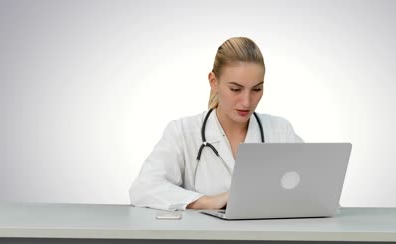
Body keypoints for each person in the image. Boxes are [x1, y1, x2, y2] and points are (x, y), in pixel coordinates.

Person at [129, 37, 303, 211]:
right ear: (213, 81)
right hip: (203, 237)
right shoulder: (182, 132)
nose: (247, 101)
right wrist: (207, 202)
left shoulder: (280, 131)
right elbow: (144, 188)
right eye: (235, 89)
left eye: (257, 89)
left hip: (266, 236)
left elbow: (314, 185)